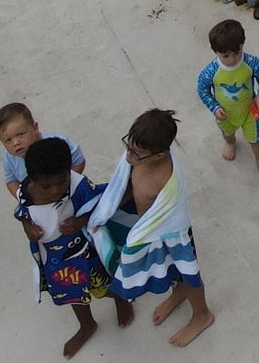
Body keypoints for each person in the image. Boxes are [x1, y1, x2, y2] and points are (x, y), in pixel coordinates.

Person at [86, 108, 214, 347]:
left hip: (170, 234)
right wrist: (106, 209)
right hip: (150, 231)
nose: (128, 157)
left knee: (188, 273)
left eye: (136, 153)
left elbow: (168, 215)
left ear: (159, 155)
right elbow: (124, 184)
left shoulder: (166, 181)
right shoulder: (139, 156)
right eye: (128, 146)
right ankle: (178, 293)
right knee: (175, 275)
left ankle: (202, 315)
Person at [15, 137, 133, 357]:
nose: (55, 190)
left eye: (62, 181)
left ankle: (120, 298)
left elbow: (101, 205)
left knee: (102, 285)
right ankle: (87, 325)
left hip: (86, 255)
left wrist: (79, 221)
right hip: (55, 262)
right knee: (71, 294)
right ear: (32, 179)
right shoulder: (26, 191)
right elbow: (22, 212)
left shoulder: (78, 185)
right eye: (46, 186)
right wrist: (26, 226)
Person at [196, 19, 259, 181]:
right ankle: (231, 143)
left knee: (257, 138)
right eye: (225, 56)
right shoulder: (211, 71)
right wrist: (214, 108)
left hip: (251, 109)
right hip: (225, 113)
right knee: (227, 133)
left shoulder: (250, 62)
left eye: (237, 53)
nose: (232, 59)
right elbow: (202, 90)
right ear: (215, 52)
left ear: (242, 45)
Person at [0, 102, 88, 201]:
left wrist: (64, 183)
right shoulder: (9, 158)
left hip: (71, 192)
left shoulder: (57, 145)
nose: (15, 143)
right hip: (40, 201)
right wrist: (22, 197)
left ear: (35, 128)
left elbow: (79, 161)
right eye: (8, 140)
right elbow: (11, 181)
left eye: (21, 134)